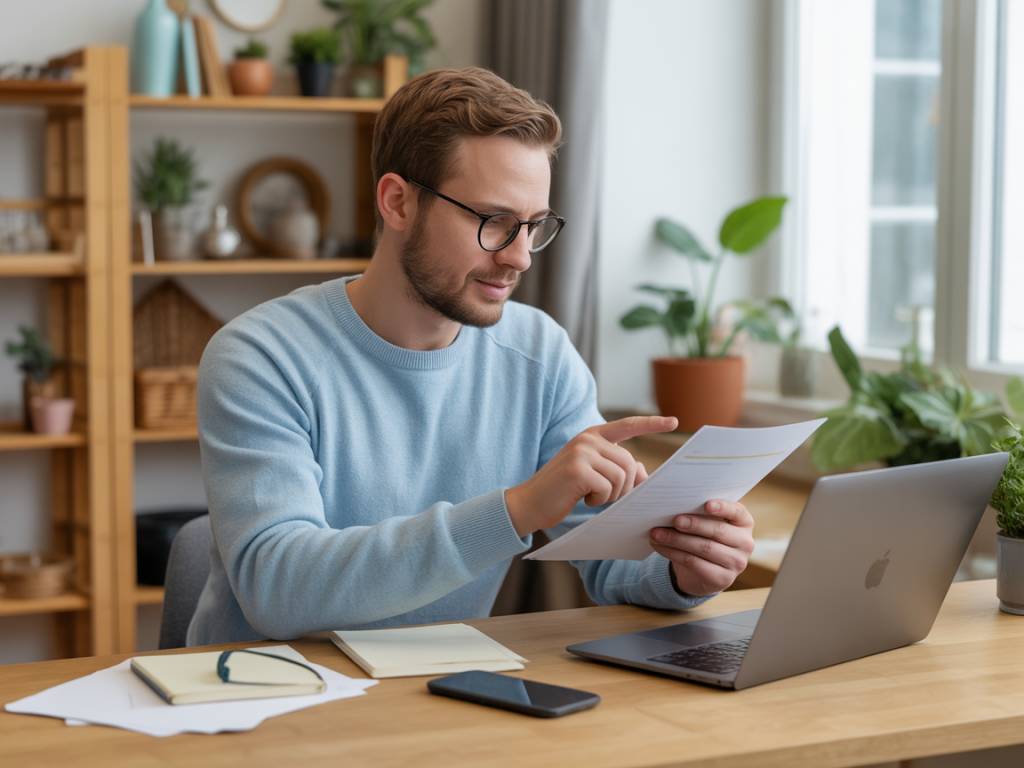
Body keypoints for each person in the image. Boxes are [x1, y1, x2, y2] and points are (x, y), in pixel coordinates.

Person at [187, 67, 755, 645]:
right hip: (262, 699)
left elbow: (609, 557)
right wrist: (515, 510)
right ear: (398, 203)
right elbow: (279, 590)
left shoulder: (540, 354)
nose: (520, 259)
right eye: (494, 222)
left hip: (439, 692)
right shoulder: (259, 357)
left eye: (534, 226)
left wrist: (684, 566)